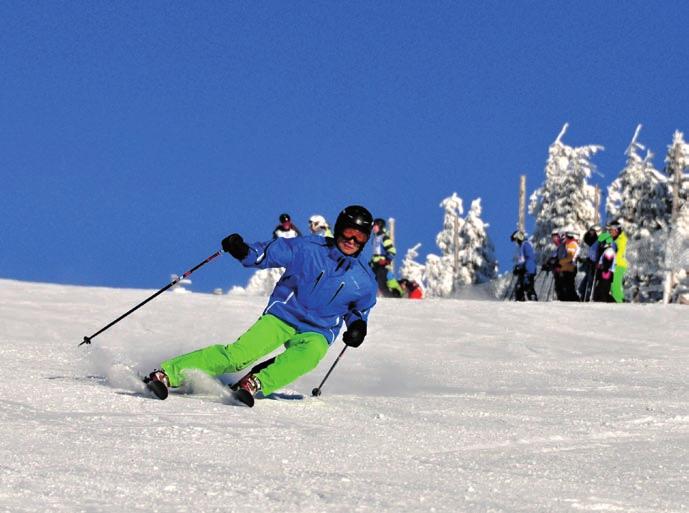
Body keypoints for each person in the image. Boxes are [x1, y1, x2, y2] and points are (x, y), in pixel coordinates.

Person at [145, 205, 378, 407]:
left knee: (309, 355)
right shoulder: (308, 248)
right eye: (348, 233)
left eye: (359, 238)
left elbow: (360, 309)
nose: (351, 241)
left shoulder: (364, 279)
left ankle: (255, 383)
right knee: (237, 357)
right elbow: (270, 252)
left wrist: (358, 325)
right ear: (338, 230)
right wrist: (244, 251)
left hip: (318, 330)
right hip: (283, 316)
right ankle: (166, 374)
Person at [369, 218, 402, 297]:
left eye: (375, 226)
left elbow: (392, 251)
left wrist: (386, 260)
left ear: (380, 226)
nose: (373, 228)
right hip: (375, 264)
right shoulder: (375, 239)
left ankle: (392, 297)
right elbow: (375, 253)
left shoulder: (384, 237)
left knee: (382, 282)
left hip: (382, 264)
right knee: (370, 280)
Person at [510, 230, 538, 301]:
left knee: (527, 287)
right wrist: (518, 268)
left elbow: (530, 258)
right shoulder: (523, 245)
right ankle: (520, 304)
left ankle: (533, 302)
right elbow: (522, 260)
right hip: (524, 271)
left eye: (516, 240)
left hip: (527, 271)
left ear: (519, 238)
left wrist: (525, 269)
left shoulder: (526, 244)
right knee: (519, 289)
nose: (516, 242)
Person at [578, 225, 601, 301]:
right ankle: (583, 297)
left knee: (590, 284)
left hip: (595, 267)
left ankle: (588, 298)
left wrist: (596, 262)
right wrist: (584, 260)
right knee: (583, 286)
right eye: (590, 232)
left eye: (592, 232)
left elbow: (599, 254)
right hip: (590, 266)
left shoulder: (599, 242)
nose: (591, 233)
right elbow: (586, 239)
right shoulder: (593, 242)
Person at [592, 231, 617, 302]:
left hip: (607, 273)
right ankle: (603, 300)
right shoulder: (607, 250)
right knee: (601, 289)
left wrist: (601, 267)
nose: (601, 244)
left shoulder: (609, 251)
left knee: (603, 289)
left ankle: (606, 301)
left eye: (603, 243)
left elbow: (608, 262)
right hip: (606, 272)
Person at [607, 220, 628, 303]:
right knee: (613, 287)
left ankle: (620, 304)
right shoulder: (614, 239)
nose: (610, 232)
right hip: (615, 265)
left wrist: (611, 259)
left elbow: (620, 253)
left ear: (616, 230)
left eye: (611, 230)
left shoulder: (621, 239)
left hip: (619, 265)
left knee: (615, 287)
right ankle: (621, 301)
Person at [557, 231, 580, 301]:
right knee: (566, 284)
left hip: (570, 267)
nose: (563, 239)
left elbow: (570, 257)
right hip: (568, 266)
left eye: (565, 237)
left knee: (568, 284)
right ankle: (568, 298)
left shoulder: (571, 244)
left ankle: (573, 299)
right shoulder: (569, 244)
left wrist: (560, 263)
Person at [542, 230, 563, 299]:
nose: (554, 239)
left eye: (556, 237)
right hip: (557, 270)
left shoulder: (562, 245)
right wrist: (548, 264)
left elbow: (560, 257)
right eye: (553, 237)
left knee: (561, 285)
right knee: (558, 285)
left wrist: (555, 262)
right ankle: (559, 297)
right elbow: (553, 257)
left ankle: (562, 298)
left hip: (562, 269)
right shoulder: (557, 247)